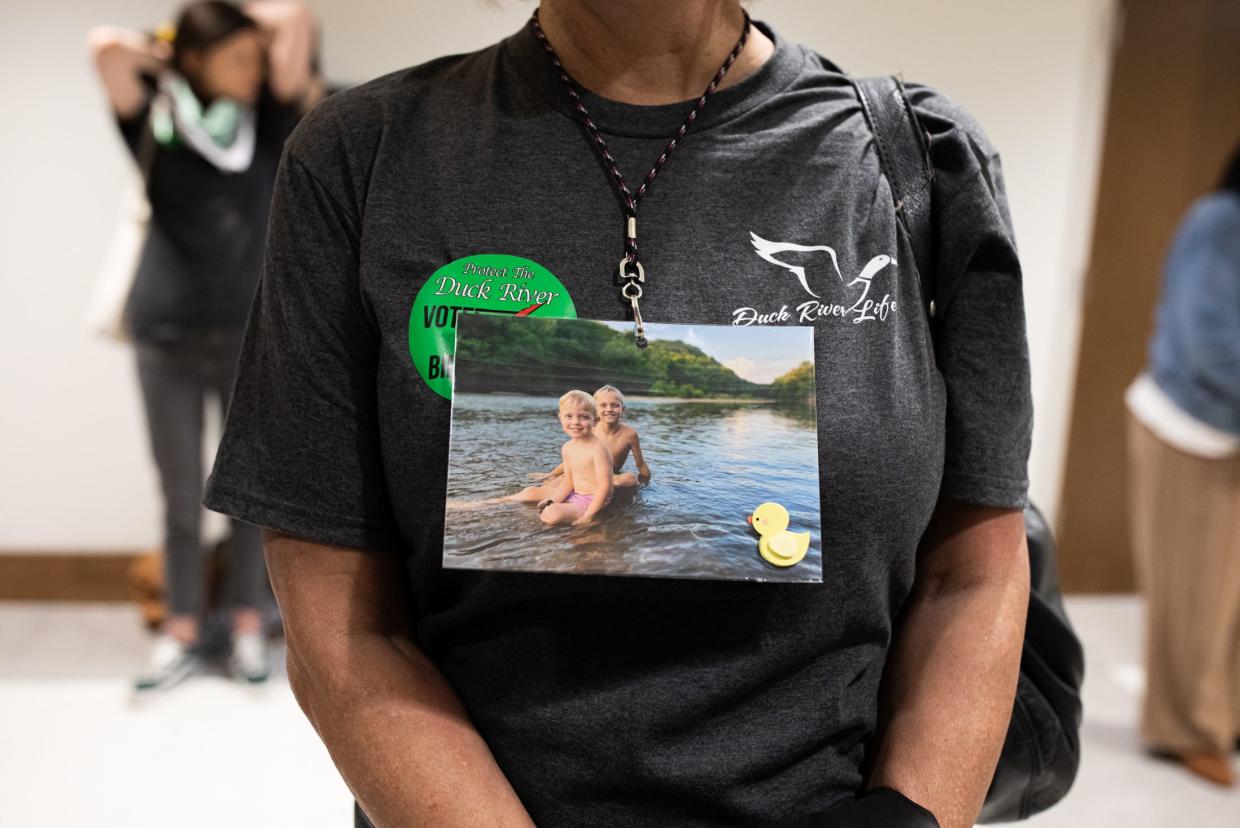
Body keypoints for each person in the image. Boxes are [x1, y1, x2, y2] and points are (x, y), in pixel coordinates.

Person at [203, 1, 1032, 825]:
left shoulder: (919, 163)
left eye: (601, 401)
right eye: (586, 403)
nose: (594, 408)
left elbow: (975, 571)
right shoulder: (363, 156)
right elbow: (343, 628)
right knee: (521, 502)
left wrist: (909, 816)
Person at [88, 0, 324, 691]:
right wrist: (173, 49)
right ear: (196, 60)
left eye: (256, 57)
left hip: (250, 332)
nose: (254, 69)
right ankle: (183, 629)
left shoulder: (269, 122)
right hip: (163, 330)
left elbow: (296, 17)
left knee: (248, 494)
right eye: (237, 58)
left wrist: (243, 26)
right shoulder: (154, 121)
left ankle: (249, 622)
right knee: (179, 492)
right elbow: (104, 48)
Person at [1123, 139, 1240, 788]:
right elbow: (1212, 345)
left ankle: (1225, 713)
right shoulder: (1220, 222)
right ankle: (1186, 729)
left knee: (1231, 595)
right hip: (1191, 427)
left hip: (1233, 428)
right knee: (1194, 594)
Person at [511, 383, 650, 502]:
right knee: (549, 483)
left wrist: (647, 484)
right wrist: (551, 473)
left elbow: (640, 464)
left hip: (609, 476)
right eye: (603, 405)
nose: (609, 409)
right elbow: (573, 458)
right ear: (595, 411)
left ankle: (587, 490)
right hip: (584, 473)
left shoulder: (629, 434)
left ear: (623, 409)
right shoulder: (590, 430)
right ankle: (551, 494)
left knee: (629, 479)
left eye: (615, 405)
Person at [535, 390, 615, 526]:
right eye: (569, 416)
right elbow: (568, 482)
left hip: (595, 499)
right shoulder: (567, 447)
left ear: (595, 420)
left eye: (583, 417)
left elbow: (604, 486)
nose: (575, 422)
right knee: (543, 506)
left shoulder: (598, 448)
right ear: (560, 418)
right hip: (577, 496)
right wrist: (553, 500)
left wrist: (589, 515)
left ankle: (593, 521)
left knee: (551, 514)